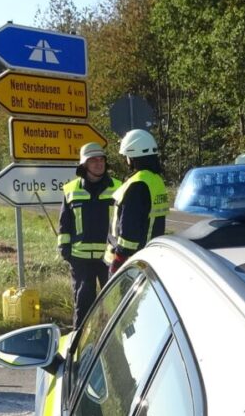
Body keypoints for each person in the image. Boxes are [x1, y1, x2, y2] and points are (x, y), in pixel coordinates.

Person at [59, 142, 121, 328]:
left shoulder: (119, 187)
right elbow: (64, 224)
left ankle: (119, 348)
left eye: (101, 159)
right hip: (81, 261)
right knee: (83, 306)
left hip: (110, 259)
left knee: (117, 305)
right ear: (84, 165)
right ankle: (80, 349)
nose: (98, 163)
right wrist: (65, 251)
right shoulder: (70, 189)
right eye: (93, 160)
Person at [105, 129, 169, 275]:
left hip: (130, 262)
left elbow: (129, 227)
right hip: (149, 256)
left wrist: (119, 259)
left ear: (132, 156)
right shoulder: (156, 180)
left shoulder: (137, 184)